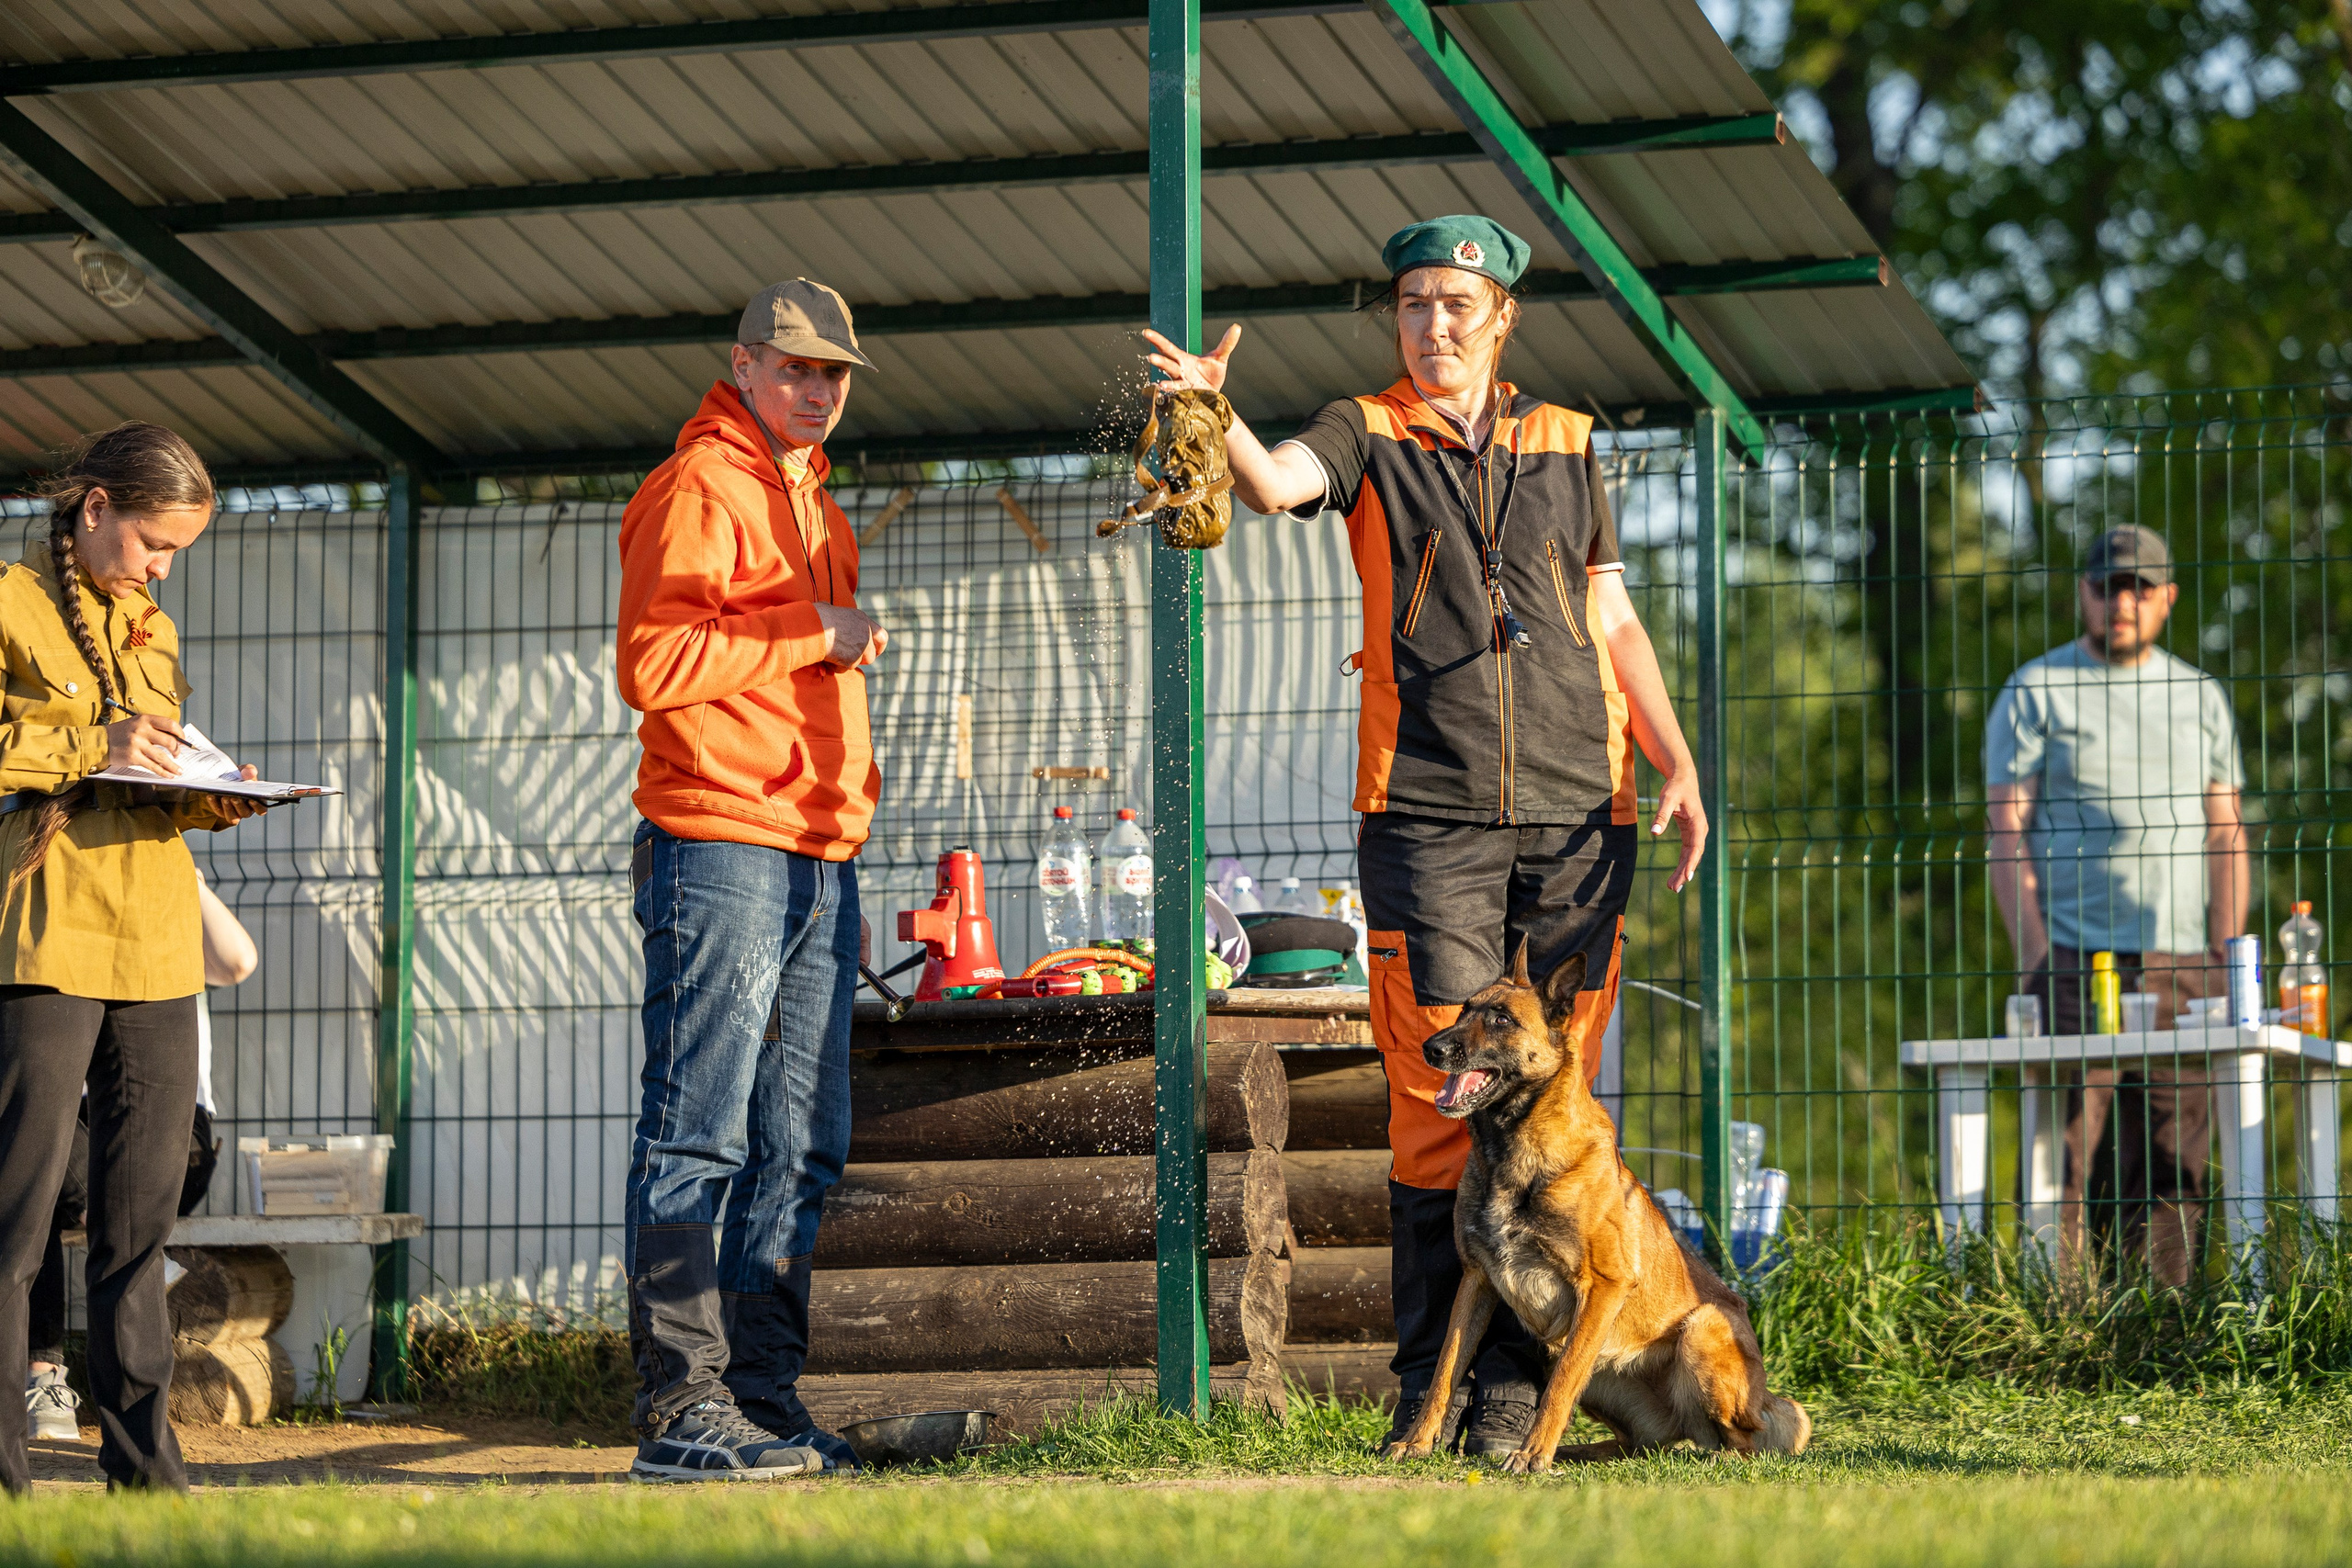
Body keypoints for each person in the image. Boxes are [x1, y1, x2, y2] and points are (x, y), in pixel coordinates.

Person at [1142, 216, 1707, 1457]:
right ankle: (1425, 1387)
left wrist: (1675, 756)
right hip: (1428, 817)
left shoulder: (1567, 438)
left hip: (1582, 813)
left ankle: (1508, 1403)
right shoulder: (1367, 427)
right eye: (1413, 303)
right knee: (1445, 1094)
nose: (1434, 323)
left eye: (1458, 303)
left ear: (1502, 316)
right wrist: (1215, 410)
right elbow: (1278, 480)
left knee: (1550, 1100)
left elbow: (1611, 608)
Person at [615, 279, 888, 1482]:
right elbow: (654, 659)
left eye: (835, 374)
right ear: (743, 364)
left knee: (801, 1141)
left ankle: (765, 1403)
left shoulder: (808, 495)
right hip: (719, 840)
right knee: (700, 1133)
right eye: (797, 369)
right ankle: (684, 1406)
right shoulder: (699, 488)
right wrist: (816, 630)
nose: (819, 391)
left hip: (820, 849)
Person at [0, 422, 270, 1495]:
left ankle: (149, 1479)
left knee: (138, 1226)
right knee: (15, 1221)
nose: (165, 569)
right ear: (97, 508)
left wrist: (214, 790)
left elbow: (142, 767)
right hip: (48, 935)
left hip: (160, 948)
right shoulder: (12, 606)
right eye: (156, 543)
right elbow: (61, 753)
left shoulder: (149, 629)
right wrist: (86, 747)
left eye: (178, 554)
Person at [1986, 525, 2246, 1287]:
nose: (2122, 601)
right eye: (2108, 585)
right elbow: (2006, 826)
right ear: (2084, 594)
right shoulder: (2035, 689)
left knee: (2173, 1154)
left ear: (2167, 597)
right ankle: (2053, 1319)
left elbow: (2225, 830)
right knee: (2065, 1155)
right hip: (2072, 957)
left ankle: (2163, 1324)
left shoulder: (2200, 694)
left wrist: (2228, 958)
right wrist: (2035, 954)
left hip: (2183, 962)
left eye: (2139, 586)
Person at [24, 874, 254, 1445]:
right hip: (71, 1123)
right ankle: (41, 1375)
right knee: (33, 1172)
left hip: (176, 1133)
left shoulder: (159, 909)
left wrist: (188, 880)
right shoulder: (49, 911)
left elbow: (236, 962)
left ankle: (45, 1370)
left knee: (41, 1173)